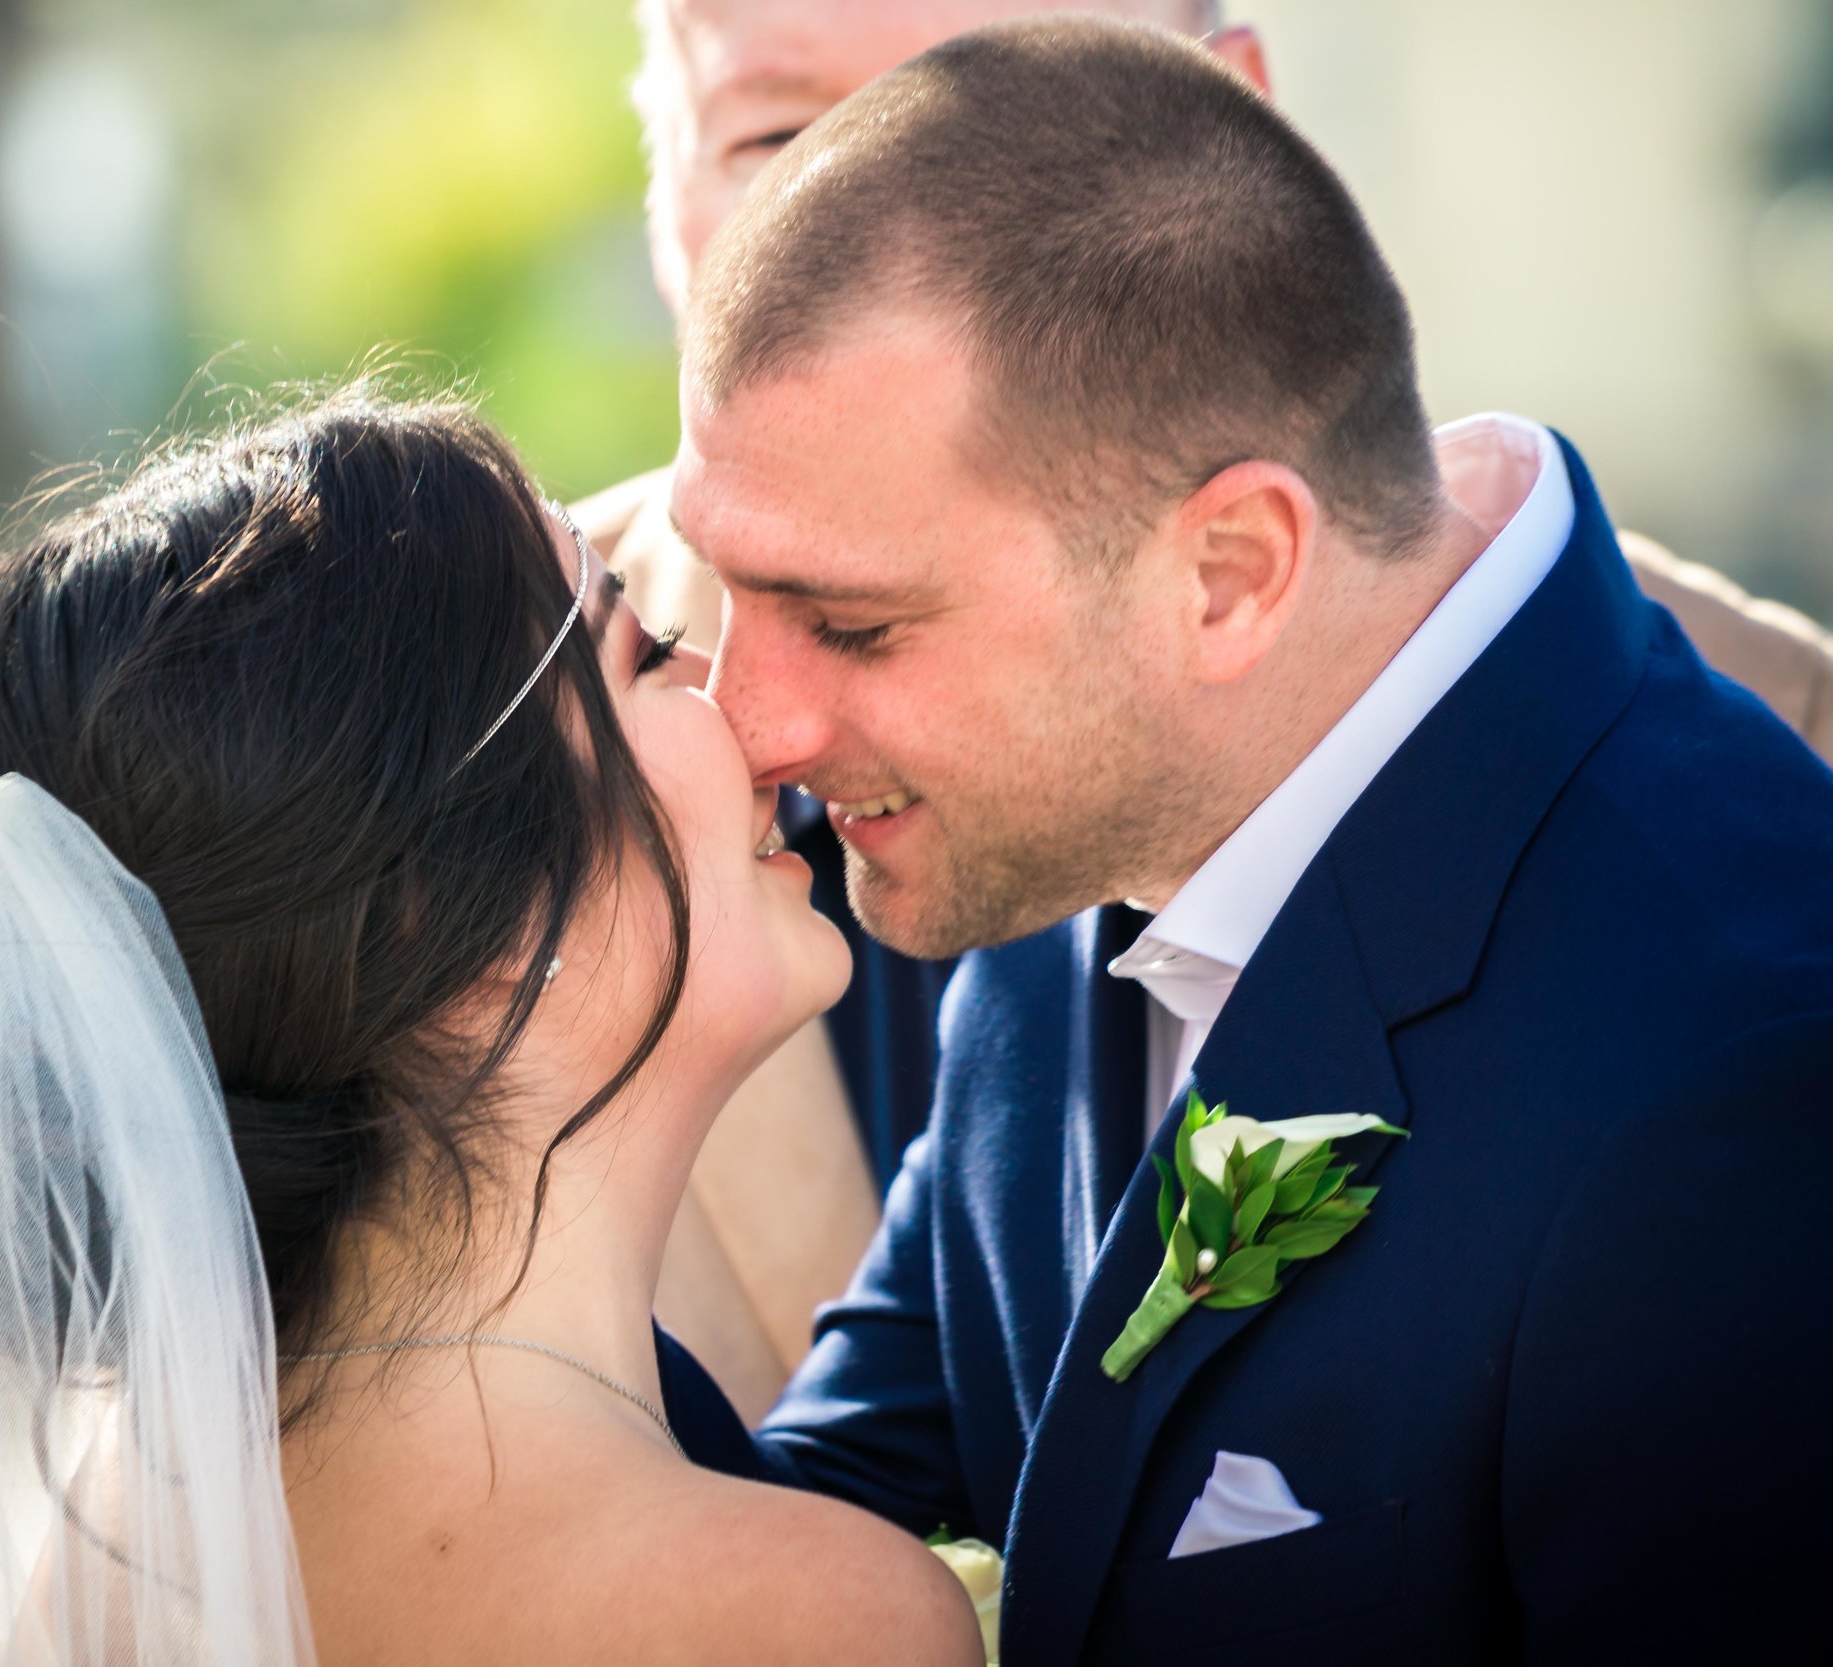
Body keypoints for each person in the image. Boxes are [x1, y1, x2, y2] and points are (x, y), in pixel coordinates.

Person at [670, 19, 1833, 1660]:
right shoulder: (1067, 826)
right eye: (727, 590)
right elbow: (817, 1513)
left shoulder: (1740, 1076)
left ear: (1227, 572)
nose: (751, 724)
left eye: (847, 624)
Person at [0, 390, 984, 1666]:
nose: (745, 710)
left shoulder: (95, 1588)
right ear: (461, 919)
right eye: (644, 656)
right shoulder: (794, 1619)